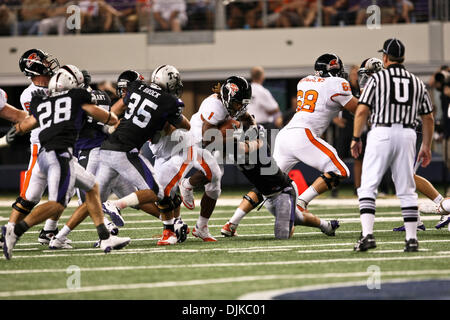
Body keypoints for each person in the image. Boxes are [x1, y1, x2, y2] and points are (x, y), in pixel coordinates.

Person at [2, 65, 130, 260]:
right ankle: (15, 231)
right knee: (57, 204)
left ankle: (105, 238)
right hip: (59, 155)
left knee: (91, 186)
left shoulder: (41, 101)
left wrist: (5, 139)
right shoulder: (77, 98)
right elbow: (109, 119)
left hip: (43, 156)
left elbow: (24, 125)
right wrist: (112, 121)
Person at [351, 38, 434, 252]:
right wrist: (426, 145)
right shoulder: (417, 81)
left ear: (385, 57)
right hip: (407, 134)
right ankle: (412, 239)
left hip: (382, 131)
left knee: (368, 185)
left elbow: (361, 110)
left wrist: (356, 137)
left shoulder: (378, 79)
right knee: (406, 189)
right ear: (403, 57)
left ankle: (367, 236)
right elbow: (428, 118)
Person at [94, 68, 191, 245]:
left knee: (93, 198)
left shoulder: (137, 87)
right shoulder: (169, 101)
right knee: (158, 191)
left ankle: (60, 235)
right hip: (125, 150)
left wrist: (108, 125)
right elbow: (185, 125)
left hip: (107, 147)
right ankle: (117, 205)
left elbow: (118, 108)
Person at [273, 53, 359, 213]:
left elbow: (325, 104)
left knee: (269, 184)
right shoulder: (336, 83)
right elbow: (357, 109)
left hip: (285, 135)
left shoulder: (304, 81)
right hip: (303, 135)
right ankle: (302, 202)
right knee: (341, 170)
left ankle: (233, 222)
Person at [221, 125, 340, 239]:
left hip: (283, 192)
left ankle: (233, 223)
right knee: (298, 217)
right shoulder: (235, 148)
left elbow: (244, 147)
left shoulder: (257, 146)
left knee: (283, 235)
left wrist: (226, 136)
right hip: (266, 193)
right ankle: (327, 226)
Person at [181, 76, 254, 242]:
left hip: (213, 142)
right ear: (228, 97)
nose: (240, 107)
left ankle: (201, 227)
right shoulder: (214, 105)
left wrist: (246, 119)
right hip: (197, 139)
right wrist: (232, 134)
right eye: (237, 103)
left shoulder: (231, 104)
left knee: (215, 187)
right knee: (212, 173)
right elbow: (208, 136)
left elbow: (239, 114)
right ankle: (186, 184)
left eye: (242, 103)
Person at [3, 49, 63, 248]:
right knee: (31, 196)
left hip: (63, 144)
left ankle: (50, 230)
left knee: (63, 189)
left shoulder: (60, 83)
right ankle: (9, 230)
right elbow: (42, 120)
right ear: (34, 66)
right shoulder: (29, 94)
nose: (48, 63)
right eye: (44, 60)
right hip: (41, 146)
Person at [246, 66, 281, 146]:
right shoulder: (262, 91)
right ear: (262, 76)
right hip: (262, 127)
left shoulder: (246, 89)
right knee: (265, 153)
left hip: (248, 126)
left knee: (251, 151)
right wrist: (269, 112)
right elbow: (275, 108)